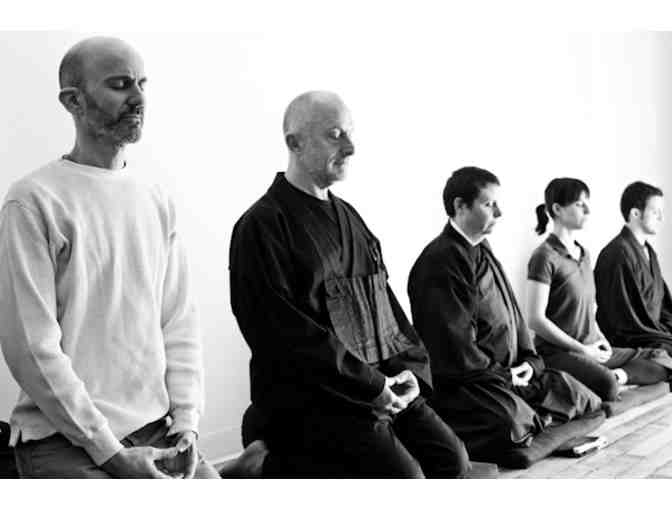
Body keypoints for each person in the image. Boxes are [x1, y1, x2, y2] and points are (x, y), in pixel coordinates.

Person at [0, 36, 220, 478]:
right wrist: (111, 454)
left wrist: (187, 421)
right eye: (120, 85)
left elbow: (178, 321)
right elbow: (32, 349)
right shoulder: (33, 201)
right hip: (64, 439)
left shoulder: (155, 198)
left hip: (157, 429)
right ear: (73, 101)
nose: (138, 98)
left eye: (142, 83)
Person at [229, 91, 470, 478]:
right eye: (335, 135)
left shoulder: (351, 218)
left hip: (377, 384)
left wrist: (408, 372)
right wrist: (371, 386)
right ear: (295, 142)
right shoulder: (262, 226)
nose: (351, 147)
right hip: (316, 396)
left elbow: (384, 307)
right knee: (405, 478)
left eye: (350, 134)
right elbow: (282, 336)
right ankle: (266, 465)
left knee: (451, 459)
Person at [407, 167, 602, 460]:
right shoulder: (439, 262)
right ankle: (539, 432)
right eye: (489, 204)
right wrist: (506, 375)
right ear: (460, 206)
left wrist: (530, 362)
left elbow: (515, 318)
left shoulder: (483, 249)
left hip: (513, 375)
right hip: (472, 384)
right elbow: (455, 349)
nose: (498, 212)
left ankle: (537, 434)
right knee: (511, 423)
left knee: (586, 399)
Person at [526, 178, 671, 403]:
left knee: (660, 356)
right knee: (608, 386)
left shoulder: (584, 254)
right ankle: (604, 380)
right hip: (560, 352)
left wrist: (600, 339)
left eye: (587, 203)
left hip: (591, 346)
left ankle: (617, 376)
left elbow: (589, 309)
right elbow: (535, 320)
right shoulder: (544, 256)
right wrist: (583, 350)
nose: (588, 210)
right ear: (557, 209)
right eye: (579, 204)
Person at [595, 181, 672, 355]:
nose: (661, 218)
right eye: (655, 212)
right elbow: (622, 320)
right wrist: (663, 336)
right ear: (635, 213)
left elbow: (664, 306)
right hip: (629, 338)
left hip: (653, 333)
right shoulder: (616, 254)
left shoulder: (649, 252)